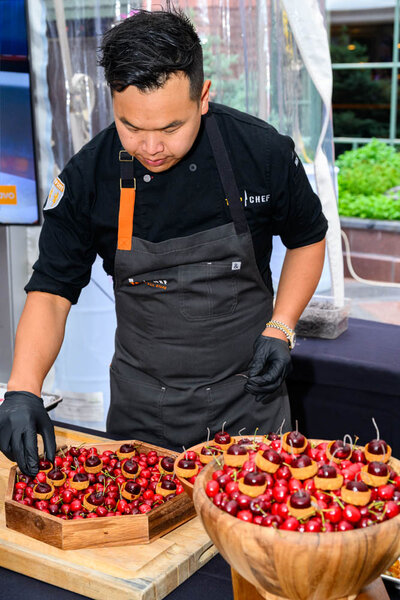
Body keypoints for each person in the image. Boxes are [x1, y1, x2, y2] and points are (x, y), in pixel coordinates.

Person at [0, 8, 327, 476]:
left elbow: (308, 239)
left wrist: (283, 326)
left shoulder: (261, 152)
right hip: (144, 419)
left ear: (203, 98)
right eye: (131, 126)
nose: (151, 147)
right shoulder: (88, 176)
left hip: (249, 404)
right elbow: (52, 292)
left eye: (171, 128)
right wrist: (23, 388)